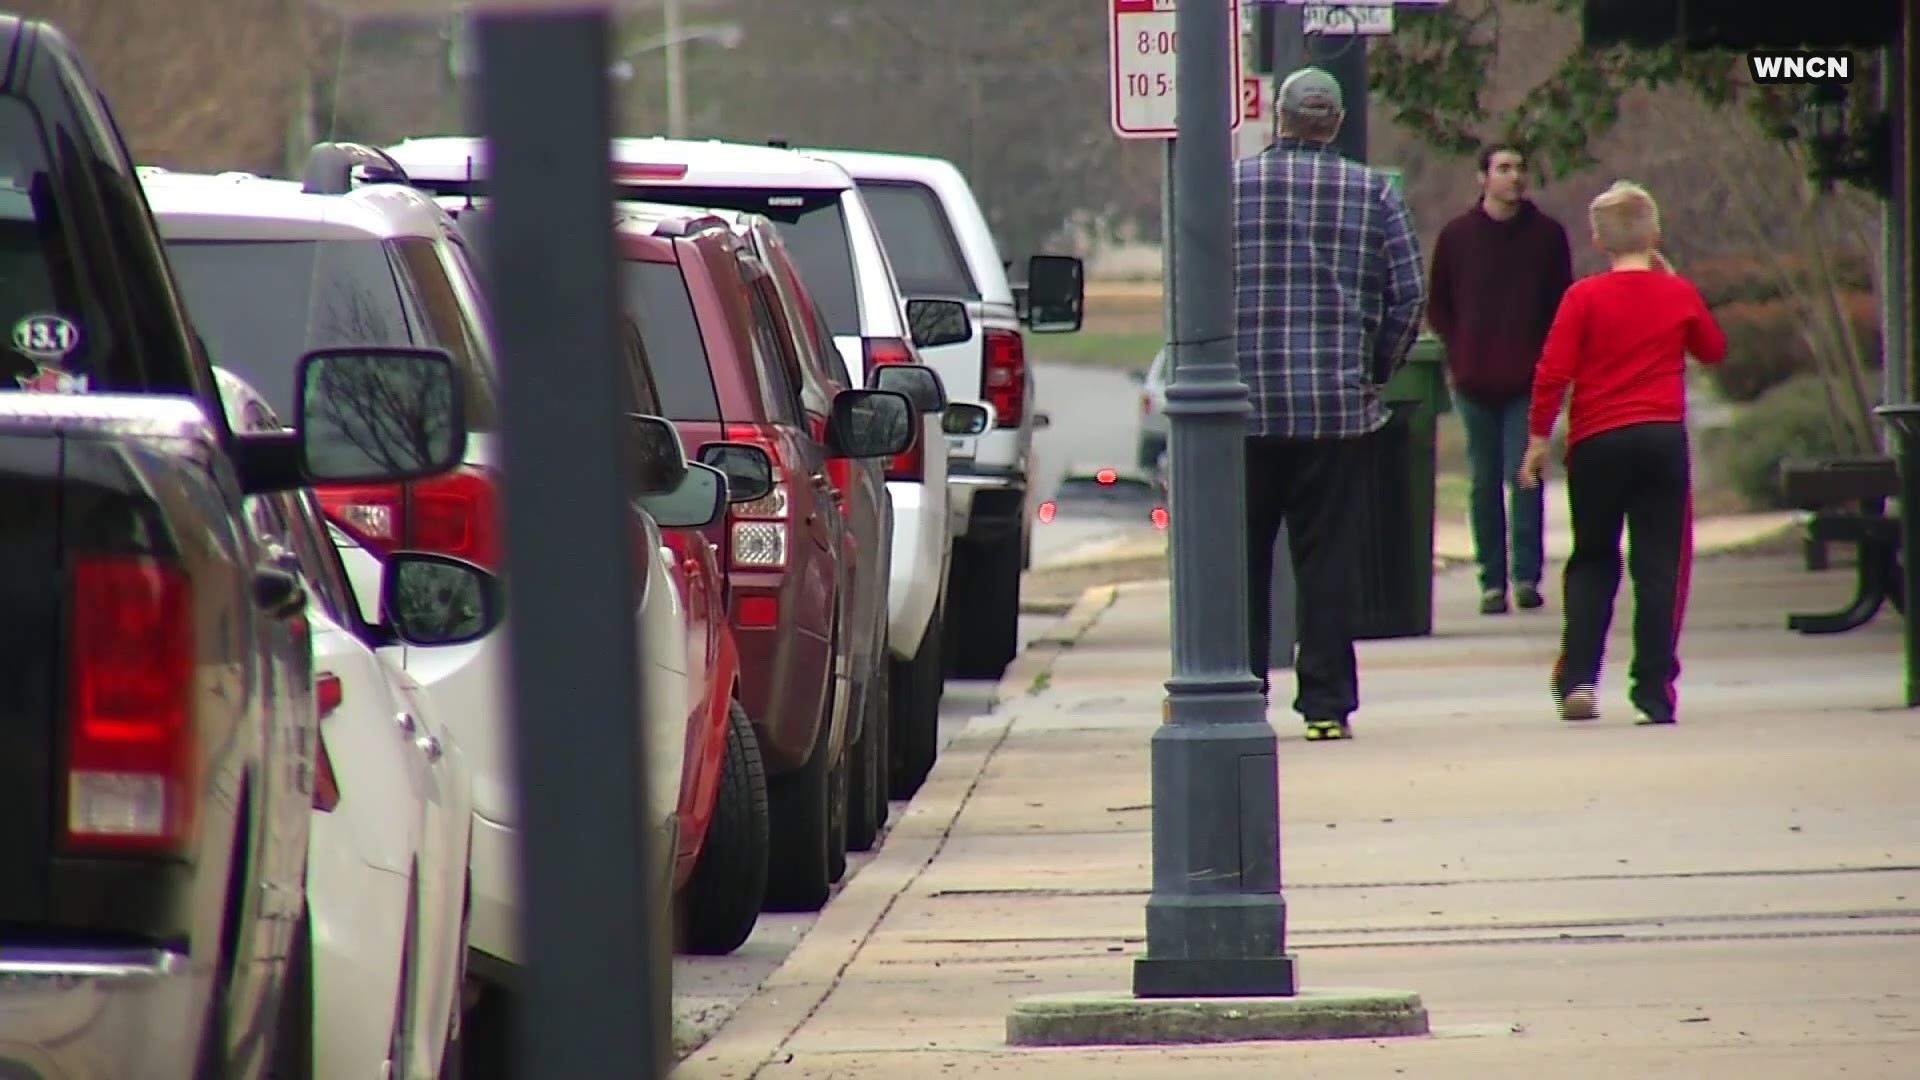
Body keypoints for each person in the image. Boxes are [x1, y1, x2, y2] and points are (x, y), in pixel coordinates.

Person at [1234, 66, 1426, 743]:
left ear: (1279, 120)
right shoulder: (1371, 193)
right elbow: (1408, 296)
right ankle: (1324, 702)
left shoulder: (1230, 190)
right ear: (1336, 124)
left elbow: (1188, 291)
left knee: (1243, 560)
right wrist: (1372, 367)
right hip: (1336, 412)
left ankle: (1240, 690)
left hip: (1242, 411)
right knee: (1327, 562)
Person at [1518, 180, 1727, 726]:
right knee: (1658, 565)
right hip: (1660, 438)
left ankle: (1579, 679)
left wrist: (1539, 438)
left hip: (1597, 441)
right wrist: (1677, 287)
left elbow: (1551, 372)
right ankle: (1654, 689)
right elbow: (1713, 349)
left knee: (1592, 559)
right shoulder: (1677, 294)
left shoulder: (1582, 297)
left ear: (1597, 239)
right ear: (1654, 232)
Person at [1427, 144, 1574, 616]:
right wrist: (1459, 352)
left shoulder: (1547, 237)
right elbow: (1439, 304)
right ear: (1482, 178)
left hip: (1529, 379)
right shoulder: (1457, 237)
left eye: (1519, 168)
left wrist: (1551, 363)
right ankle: (1492, 581)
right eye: (1503, 169)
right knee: (1482, 481)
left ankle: (1526, 576)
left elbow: (1562, 305)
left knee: (1525, 476)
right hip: (1474, 379)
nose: (1514, 177)